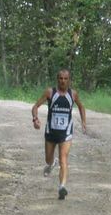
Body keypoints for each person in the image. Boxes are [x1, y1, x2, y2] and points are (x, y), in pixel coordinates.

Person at [31, 69, 87, 199]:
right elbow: (35, 106)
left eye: (65, 78)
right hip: (51, 132)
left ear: (69, 80)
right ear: (57, 79)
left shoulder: (73, 94)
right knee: (48, 159)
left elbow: (81, 107)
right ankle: (51, 164)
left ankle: (62, 187)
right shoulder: (50, 92)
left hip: (65, 133)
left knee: (64, 159)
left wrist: (84, 122)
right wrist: (35, 119)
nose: (63, 81)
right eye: (61, 78)